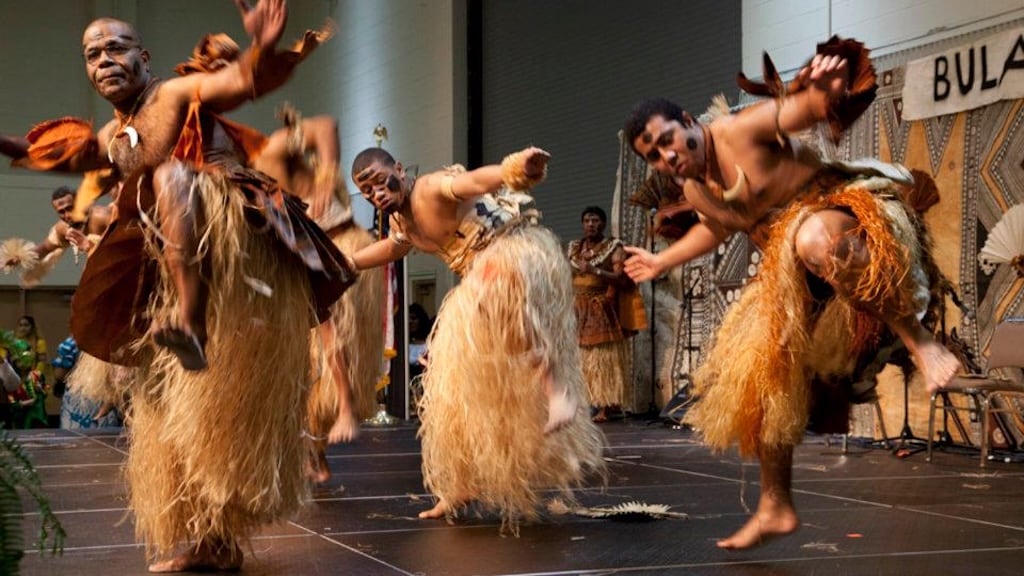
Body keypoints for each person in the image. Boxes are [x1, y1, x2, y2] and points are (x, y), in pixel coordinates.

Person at [1, 1, 354, 571]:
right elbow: (39, 151)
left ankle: (190, 318)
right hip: (167, 254)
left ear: (144, 57)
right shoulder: (112, 135)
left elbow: (241, 80)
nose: (105, 60)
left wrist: (262, 46)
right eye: (92, 54)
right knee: (173, 411)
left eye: (116, 48)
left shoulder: (172, 95)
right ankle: (214, 544)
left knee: (169, 176)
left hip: (232, 232)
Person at [621, 37, 961, 549]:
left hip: (845, 224)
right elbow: (715, 228)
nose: (668, 157)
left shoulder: (740, 129)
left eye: (669, 141)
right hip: (793, 273)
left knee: (812, 238)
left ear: (690, 121)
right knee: (765, 372)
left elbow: (797, 112)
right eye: (656, 156)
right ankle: (774, 506)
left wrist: (822, 91)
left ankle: (918, 339)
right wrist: (661, 260)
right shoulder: (693, 189)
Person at [349, 146, 606, 533]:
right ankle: (460, 484)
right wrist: (349, 263)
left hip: (512, 253)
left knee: (492, 289)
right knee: (450, 386)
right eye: (367, 193)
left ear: (398, 169)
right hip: (477, 280)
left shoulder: (432, 187)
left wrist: (512, 168)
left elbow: (473, 181)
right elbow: (393, 249)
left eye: (378, 182)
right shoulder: (402, 223)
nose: (376, 195)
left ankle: (558, 392)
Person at [567, 206, 645, 423]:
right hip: (578, 308)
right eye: (587, 220)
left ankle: (606, 405)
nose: (591, 224)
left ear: (603, 223)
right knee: (582, 358)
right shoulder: (574, 247)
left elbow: (621, 279)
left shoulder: (614, 247)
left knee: (603, 358)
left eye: (595, 220)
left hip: (601, 306)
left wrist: (595, 271)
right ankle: (587, 402)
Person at [1, 181, 113, 287]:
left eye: (70, 208)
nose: (67, 215)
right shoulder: (63, 228)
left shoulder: (102, 217)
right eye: (61, 212)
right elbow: (44, 248)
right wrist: (17, 258)